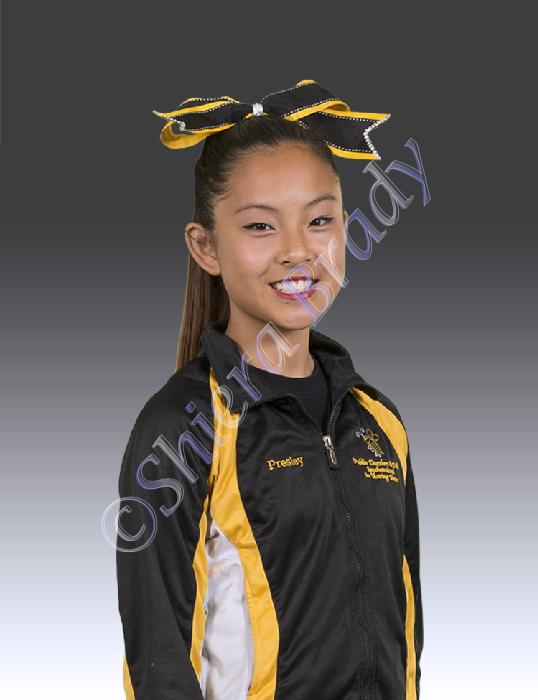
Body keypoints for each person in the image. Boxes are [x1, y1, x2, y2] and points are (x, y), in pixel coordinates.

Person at [116, 79, 424, 700]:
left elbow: (408, 632)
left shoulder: (377, 421)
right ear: (205, 246)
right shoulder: (184, 427)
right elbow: (158, 662)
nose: (297, 251)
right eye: (260, 226)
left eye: (320, 220)